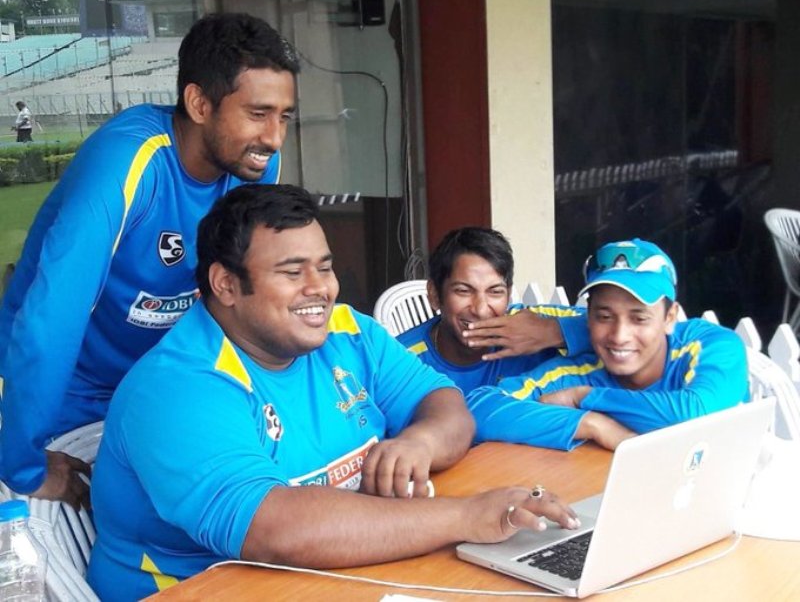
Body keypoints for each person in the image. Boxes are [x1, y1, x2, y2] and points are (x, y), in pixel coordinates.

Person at [87, 184, 581, 600]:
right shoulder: (179, 387)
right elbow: (273, 529)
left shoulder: (347, 334)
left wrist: (421, 441)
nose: (320, 288)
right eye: (292, 272)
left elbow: (446, 406)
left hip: (334, 576)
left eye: (324, 267)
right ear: (226, 284)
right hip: (203, 589)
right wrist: (468, 515)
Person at [0, 13, 299, 506]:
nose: (274, 138)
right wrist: (25, 467)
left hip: (158, 386)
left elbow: (249, 299)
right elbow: (50, 319)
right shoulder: (129, 160)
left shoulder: (254, 166)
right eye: (257, 113)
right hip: (64, 393)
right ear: (199, 103)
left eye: (284, 116)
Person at [465, 238, 749, 451]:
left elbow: (697, 415)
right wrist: (594, 424)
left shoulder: (710, 345)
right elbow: (479, 409)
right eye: (604, 317)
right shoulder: (580, 371)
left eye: (639, 318)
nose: (619, 335)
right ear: (587, 318)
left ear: (669, 318)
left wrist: (586, 398)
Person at [397, 227, 590, 393]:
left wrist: (552, 332)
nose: (481, 310)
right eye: (463, 291)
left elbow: (604, 325)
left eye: (495, 292)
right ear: (434, 295)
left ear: (509, 294)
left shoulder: (531, 326)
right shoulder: (402, 362)